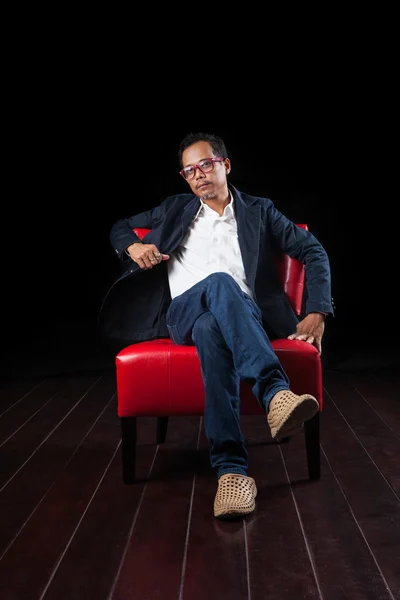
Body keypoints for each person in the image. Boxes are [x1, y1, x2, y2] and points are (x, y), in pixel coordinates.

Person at [99, 132, 334, 520]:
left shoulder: (260, 210)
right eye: (190, 170)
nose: (198, 175)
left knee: (213, 329)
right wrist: (133, 247)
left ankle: (232, 472)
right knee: (219, 284)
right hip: (181, 316)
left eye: (206, 164)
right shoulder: (175, 208)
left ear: (225, 165)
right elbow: (120, 226)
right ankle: (275, 393)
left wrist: (317, 310)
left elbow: (313, 249)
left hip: (241, 317)